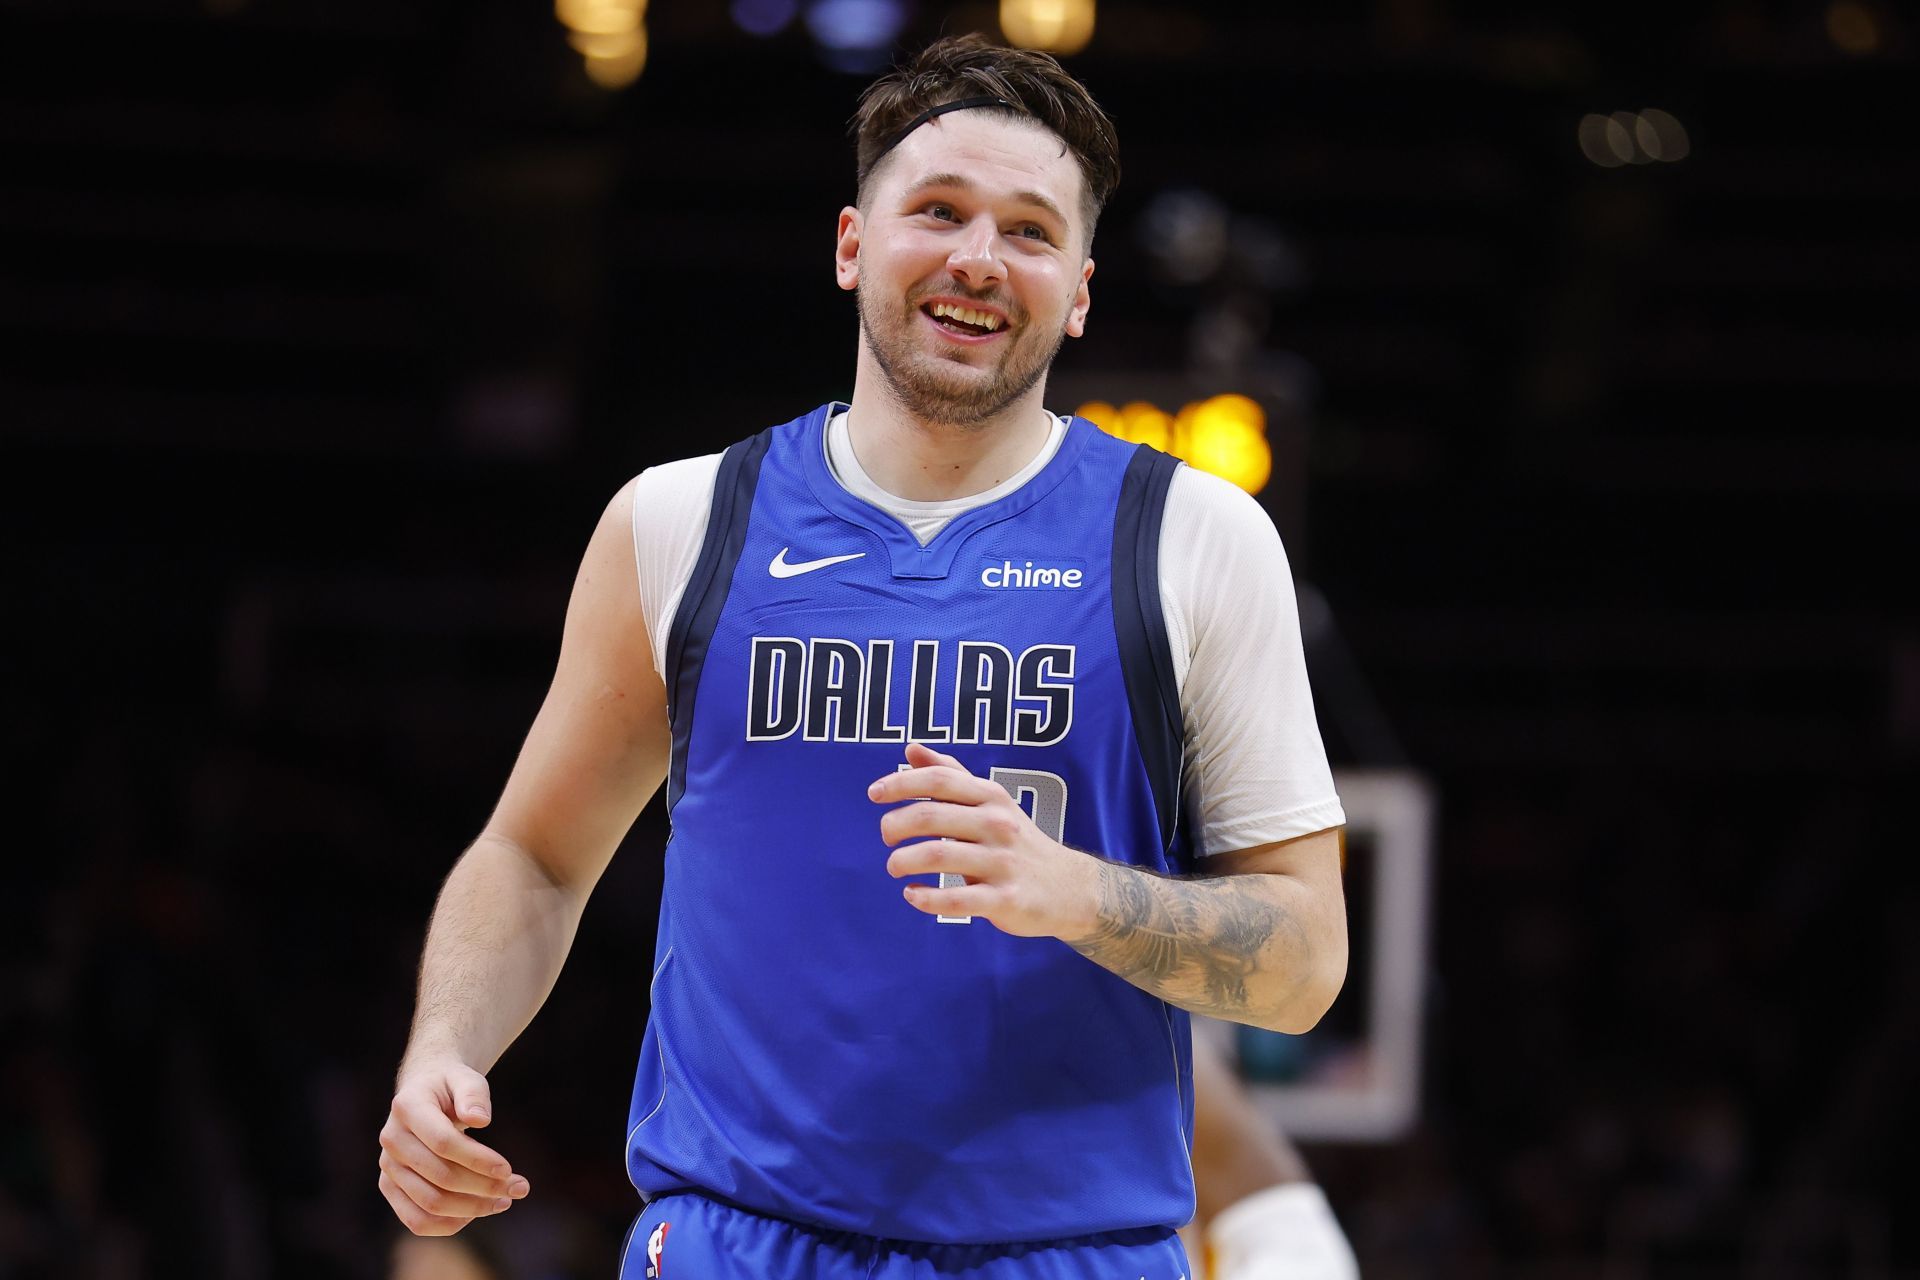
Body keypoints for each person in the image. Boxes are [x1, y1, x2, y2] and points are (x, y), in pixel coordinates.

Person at [377, 34, 1349, 1280]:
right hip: (734, 1241)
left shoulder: (1194, 538)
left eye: (1030, 230)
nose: (978, 257)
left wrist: (1072, 891)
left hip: (1063, 1249)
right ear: (851, 244)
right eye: (937, 210)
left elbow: (1305, 962)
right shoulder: (679, 521)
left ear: (1081, 289)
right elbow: (535, 855)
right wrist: (444, 1046)